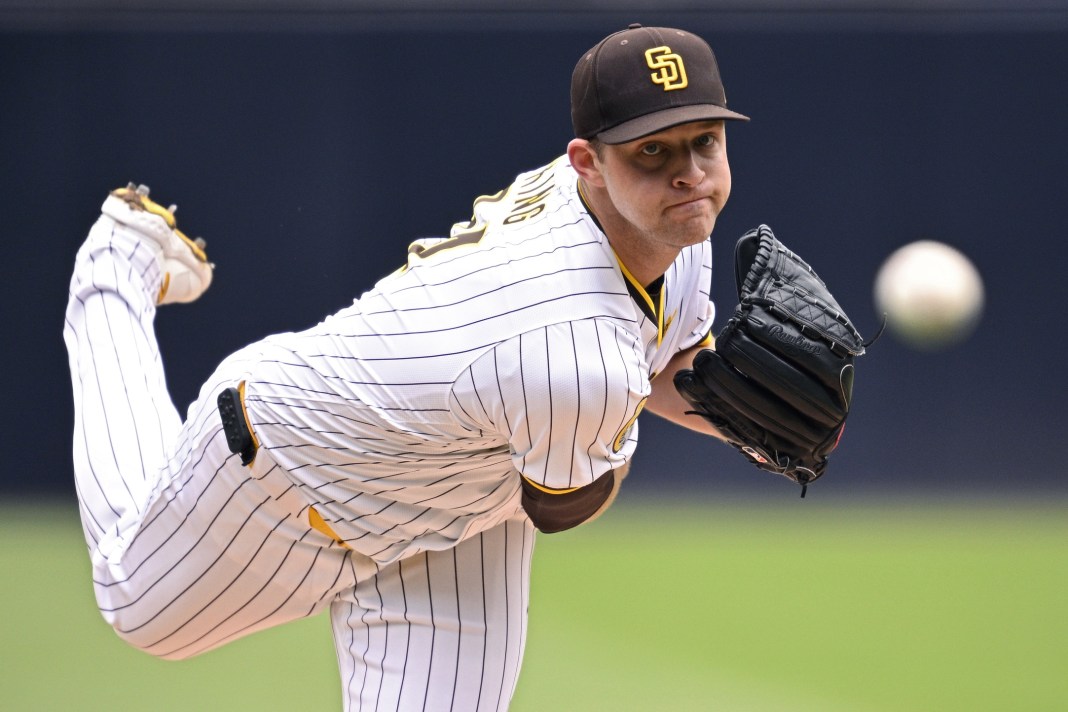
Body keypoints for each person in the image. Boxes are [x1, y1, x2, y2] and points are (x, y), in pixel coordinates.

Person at [64, 24, 749, 710]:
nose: (687, 172)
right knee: (137, 605)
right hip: (293, 470)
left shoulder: (666, 224)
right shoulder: (573, 348)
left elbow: (669, 360)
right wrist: (724, 418)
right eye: (652, 151)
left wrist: (754, 420)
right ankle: (118, 264)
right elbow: (567, 502)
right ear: (586, 163)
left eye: (704, 142)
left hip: (459, 508)